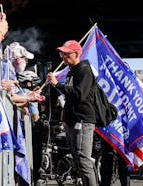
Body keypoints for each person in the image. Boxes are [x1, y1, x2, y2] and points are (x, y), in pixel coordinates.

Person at [47, 39, 99, 186]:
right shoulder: (72, 71)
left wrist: (57, 84)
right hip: (72, 121)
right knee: (77, 159)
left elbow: (79, 94)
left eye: (66, 54)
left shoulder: (84, 70)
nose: (63, 57)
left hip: (82, 121)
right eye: (62, 54)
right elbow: (70, 96)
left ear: (76, 54)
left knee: (83, 160)